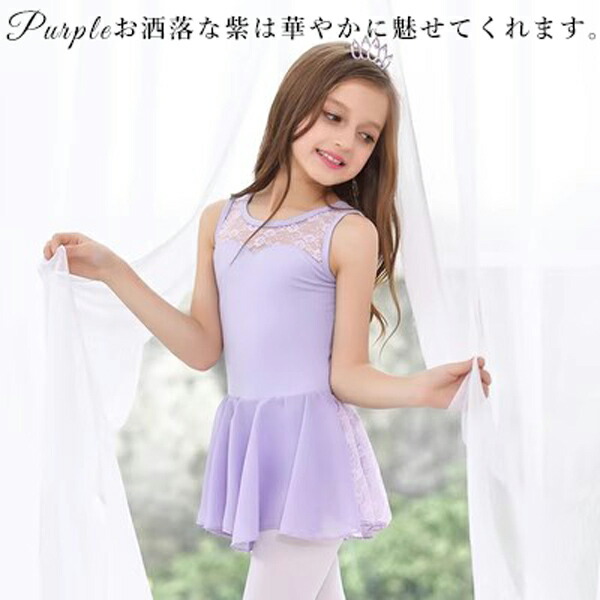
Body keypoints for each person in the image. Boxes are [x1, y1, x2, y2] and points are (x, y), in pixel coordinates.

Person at [42, 40, 492, 600]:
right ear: (293, 106)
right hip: (259, 447)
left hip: (313, 456)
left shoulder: (348, 233)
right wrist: (113, 270)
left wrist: (421, 388)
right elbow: (202, 347)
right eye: (333, 117)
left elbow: (347, 375)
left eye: (366, 135)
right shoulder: (220, 221)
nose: (345, 142)